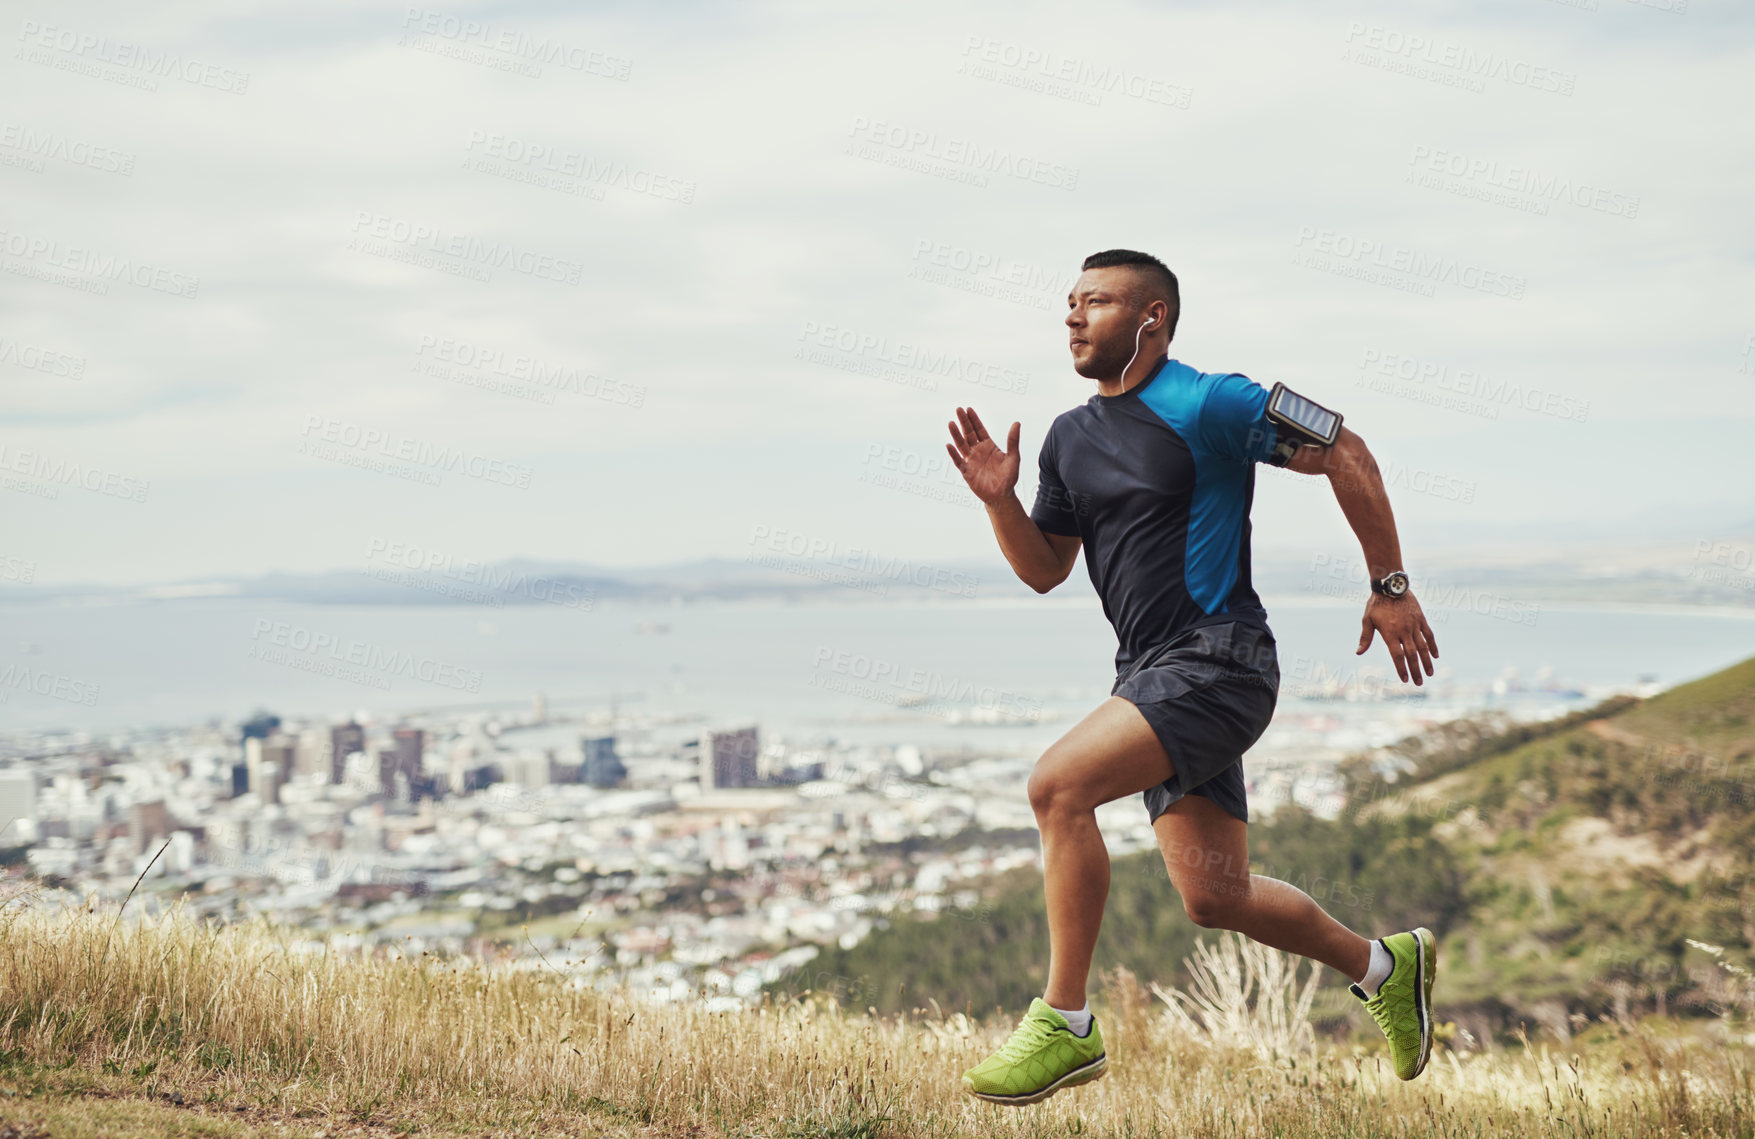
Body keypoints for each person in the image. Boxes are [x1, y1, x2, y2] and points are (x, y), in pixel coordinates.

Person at [946, 249, 1440, 1106]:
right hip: (1150, 670)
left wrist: (1388, 585)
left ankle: (1064, 1023)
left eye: (1094, 301)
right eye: (1068, 302)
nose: (1071, 316)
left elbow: (1347, 449)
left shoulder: (1214, 401)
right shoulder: (1066, 437)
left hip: (1220, 658)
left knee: (1056, 787)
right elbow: (1042, 570)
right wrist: (1000, 500)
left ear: (1152, 319)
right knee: (1215, 896)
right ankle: (1383, 964)